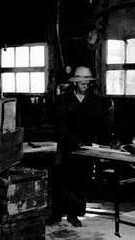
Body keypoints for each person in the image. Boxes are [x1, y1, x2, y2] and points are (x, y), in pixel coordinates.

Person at [49, 66, 118, 227]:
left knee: (80, 181)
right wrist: (74, 141)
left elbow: (104, 123)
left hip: (85, 148)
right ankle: (56, 214)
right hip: (66, 147)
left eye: (87, 79)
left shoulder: (94, 100)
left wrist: (112, 138)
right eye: (81, 79)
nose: (84, 82)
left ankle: (74, 215)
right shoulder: (64, 99)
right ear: (74, 81)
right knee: (61, 180)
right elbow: (61, 125)